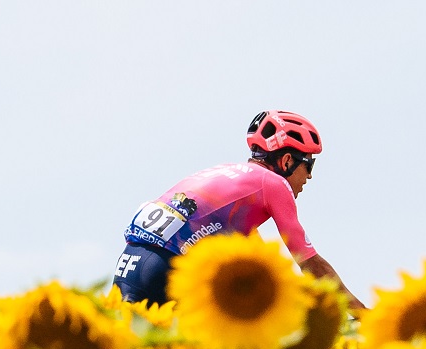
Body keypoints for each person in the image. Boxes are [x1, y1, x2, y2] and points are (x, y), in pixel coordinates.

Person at [113, 110, 366, 309]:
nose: (309, 177)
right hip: (164, 268)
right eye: (309, 165)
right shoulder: (274, 184)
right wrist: (360, 312)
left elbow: (256, 263)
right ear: (288, 161)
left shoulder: (224, 173)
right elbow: (310, 264)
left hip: (130, 262)